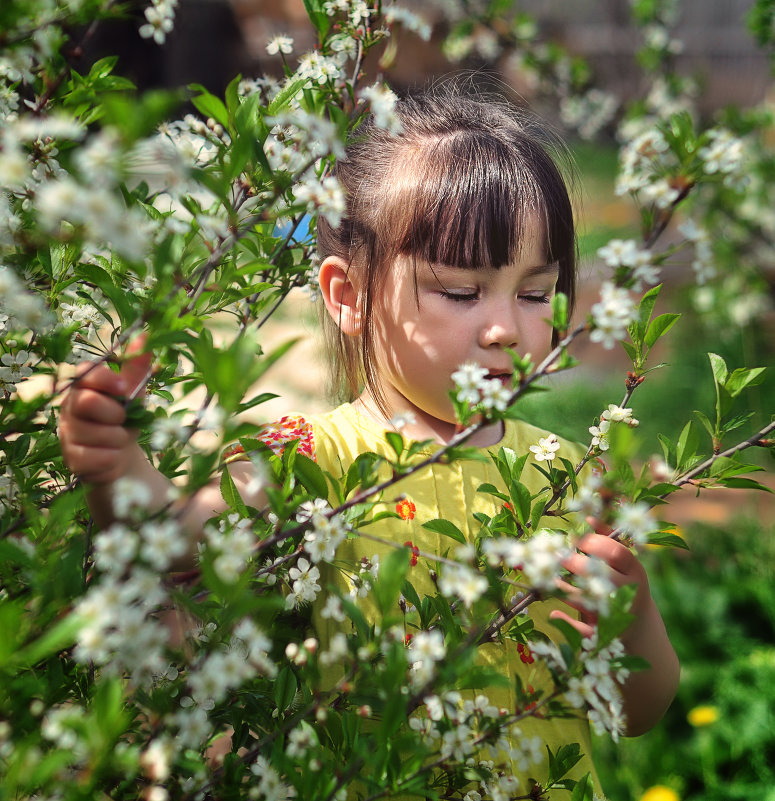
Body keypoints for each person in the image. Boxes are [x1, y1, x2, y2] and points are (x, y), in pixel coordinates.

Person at [58, 89, 679, 797]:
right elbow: (178, 548)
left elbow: (640, 709)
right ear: (348, 296)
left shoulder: (566, 476)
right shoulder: (304, 459)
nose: (506, 326)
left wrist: (633, 622)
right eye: (459, 290)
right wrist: (118, 470)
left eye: (535, 294)